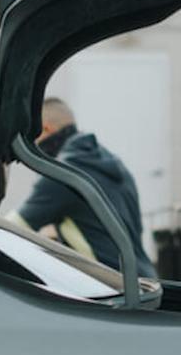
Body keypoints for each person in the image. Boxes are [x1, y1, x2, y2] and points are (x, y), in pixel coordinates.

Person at [9, 97, 156, 278]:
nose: (33, 146)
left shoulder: (62, 175)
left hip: (112, 291)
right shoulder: (112, 163)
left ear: (45, 129)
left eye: (33, 138)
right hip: (144, 281)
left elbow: (9, 230)